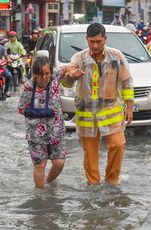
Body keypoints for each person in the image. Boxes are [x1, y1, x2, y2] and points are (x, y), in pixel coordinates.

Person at [61, 23, 134, 185]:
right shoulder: (78, 59)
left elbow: (127, 82)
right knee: (90, 153)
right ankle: (93, 184)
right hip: (87, 114)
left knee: (118, 145)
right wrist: (71, 77)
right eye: (92, 41)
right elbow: (66, 82)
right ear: (86, 39)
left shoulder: (117, 56)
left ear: (105, 39)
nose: (95, 45)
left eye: (99, 41)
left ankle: (112, 179)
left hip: (111, 112)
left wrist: (129, 107)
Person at [18, 56, 81, 189]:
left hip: (56, 131)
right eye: (40, 75)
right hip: (36, 134)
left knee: (59, 163)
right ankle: (41, 196)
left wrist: (74, 71)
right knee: (40, 165)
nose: (44, 77)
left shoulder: (54, 78)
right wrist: (36, 113)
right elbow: (21, 109)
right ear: (34, 74)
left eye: (47, 73)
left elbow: (65, 69)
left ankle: (49, 182)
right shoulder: (27, 89)